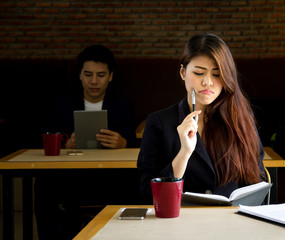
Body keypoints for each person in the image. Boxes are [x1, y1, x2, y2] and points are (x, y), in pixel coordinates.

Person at [137, 33, 266, 204]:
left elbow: (257, 185)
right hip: (179, 224)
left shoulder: (241, 119)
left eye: (217, 74)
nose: (207, 82)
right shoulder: (159, 122)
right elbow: (147, 195)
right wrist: (184, 154)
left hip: (230, 223)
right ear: (183, 72)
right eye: (199, 73)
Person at [35, 45, 138, 240]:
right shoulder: (63, 104)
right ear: (79, 75)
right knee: (43, 184)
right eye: (88, 74)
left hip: (110, 175)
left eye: (100, 75)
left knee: (135, 179)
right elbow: (51, 137)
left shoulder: (122, 105)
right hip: (73, 174)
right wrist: (65, 145)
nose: (94, 81)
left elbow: (131, 141)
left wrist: (122, 142)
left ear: (110, 76)